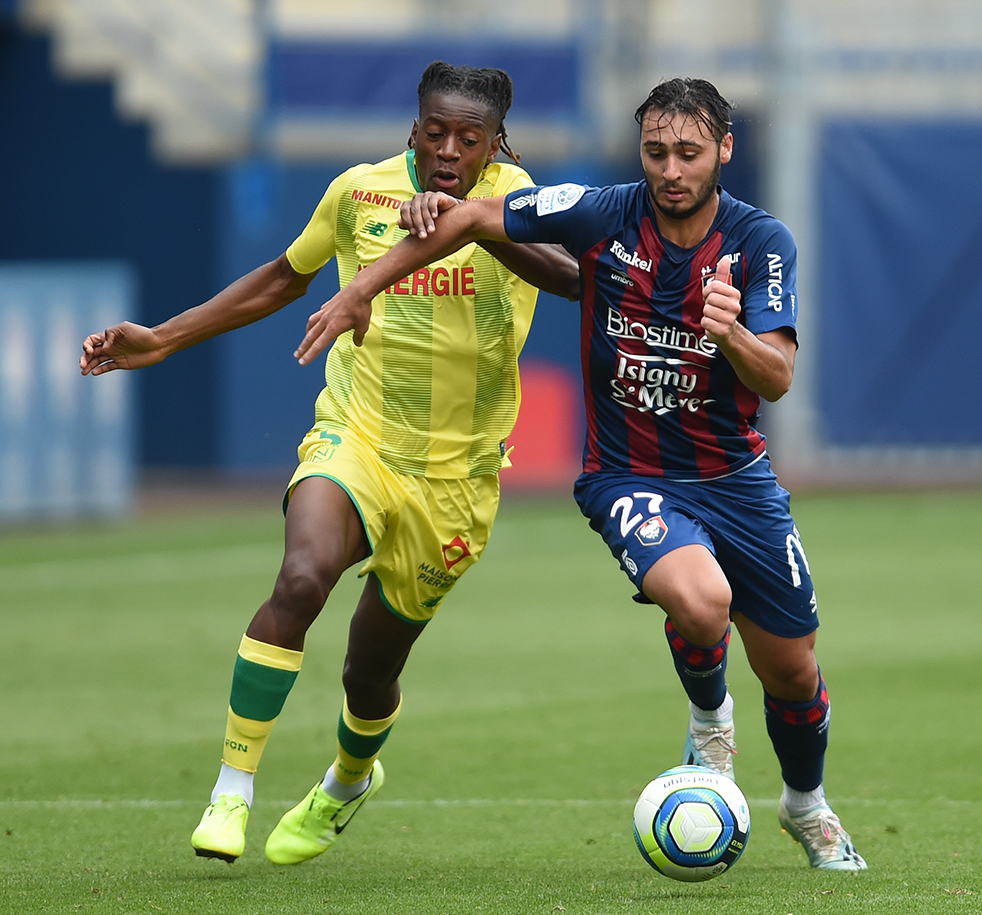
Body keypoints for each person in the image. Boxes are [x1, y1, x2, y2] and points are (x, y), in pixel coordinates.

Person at [295, 77, 867, 871]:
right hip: (628, 473)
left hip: (737, 479)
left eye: (689, 154)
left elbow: (776, 377)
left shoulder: (761, 243)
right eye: (657, 152)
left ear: (725, 151)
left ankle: (806, 807)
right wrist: (375, 269)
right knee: (702, 601)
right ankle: (711, 730)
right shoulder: (602, 211)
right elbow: (473, 217)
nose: (671, 170)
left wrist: (730, 333)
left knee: (795, 672)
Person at [79, 61, 578, 865]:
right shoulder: (360, 192)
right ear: (413, 128)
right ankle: (231, 790)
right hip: (357, 435)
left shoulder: (524, 200)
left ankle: (348, 780)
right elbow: (284, 277)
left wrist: (478, 220)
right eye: (434, 131)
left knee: (368, 670)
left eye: (469, 137)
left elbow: (579, 278)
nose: (448, 149)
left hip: (455, 479)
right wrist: (164, 338)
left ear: (496, 142)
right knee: (302, 575)